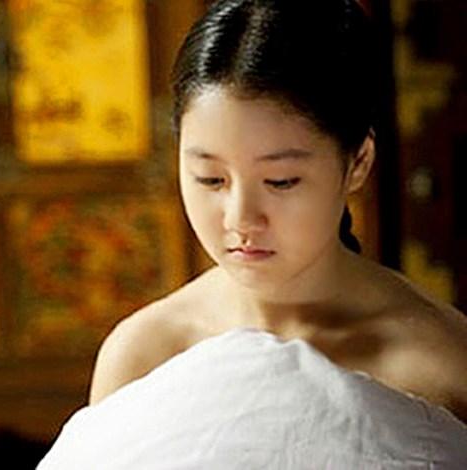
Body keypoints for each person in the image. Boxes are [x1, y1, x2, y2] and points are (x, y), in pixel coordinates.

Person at [38, 1, 467, 468]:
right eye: (210, 179)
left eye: (280, 181)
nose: (240, 218)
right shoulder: (145, 352)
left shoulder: (444, 362)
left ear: (358, 161)